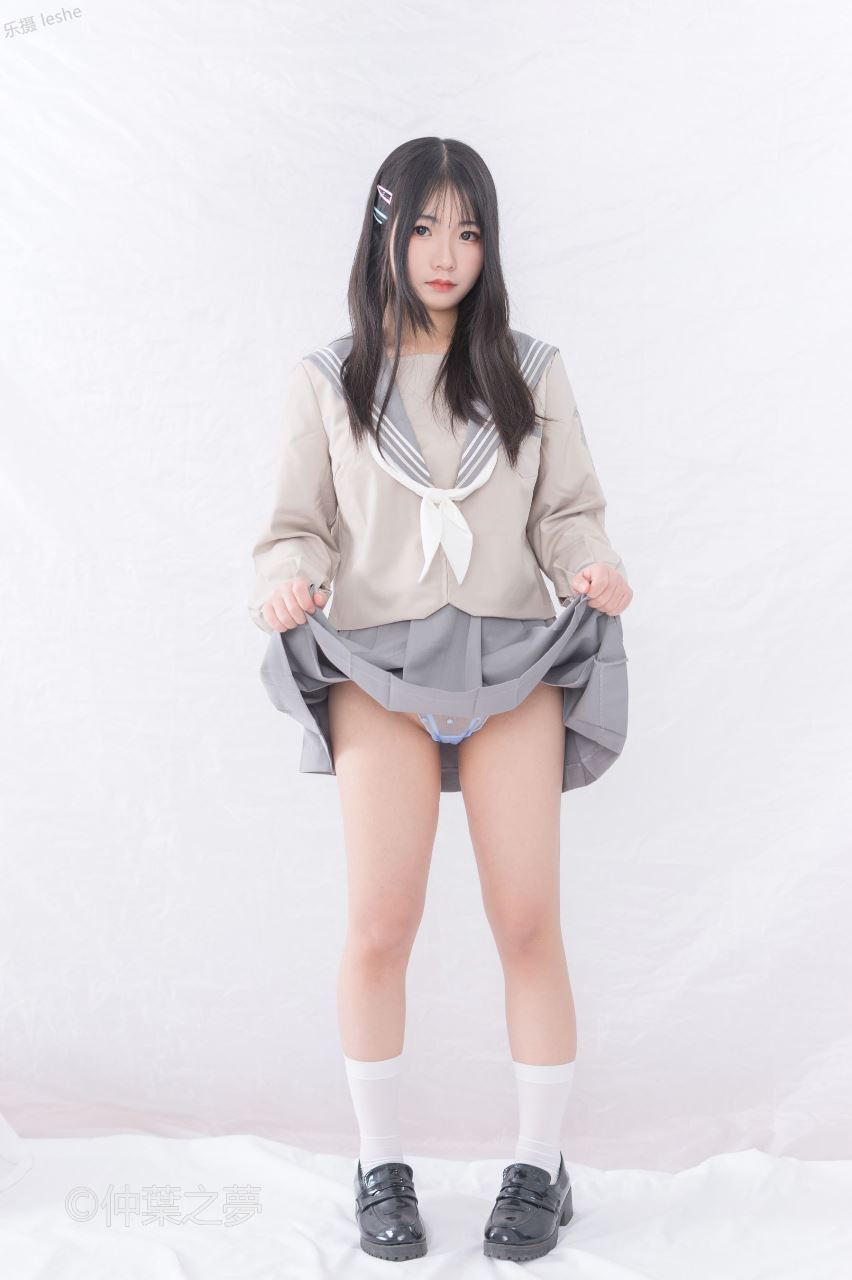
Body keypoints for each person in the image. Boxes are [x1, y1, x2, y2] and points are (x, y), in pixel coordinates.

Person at [248, 137, 633, 1262]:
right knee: (382, 920)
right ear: (385, 231)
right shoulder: (329, 378)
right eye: (423, 227)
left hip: (513, 654)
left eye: (468, 230)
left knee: (526, 919)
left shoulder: (529, 369)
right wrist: (287, 583)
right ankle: (380, 1162)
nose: (446, 252)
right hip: (378, 661)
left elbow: (568, 513)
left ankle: (539, 1164)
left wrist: (593, 568)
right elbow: (297, 525)